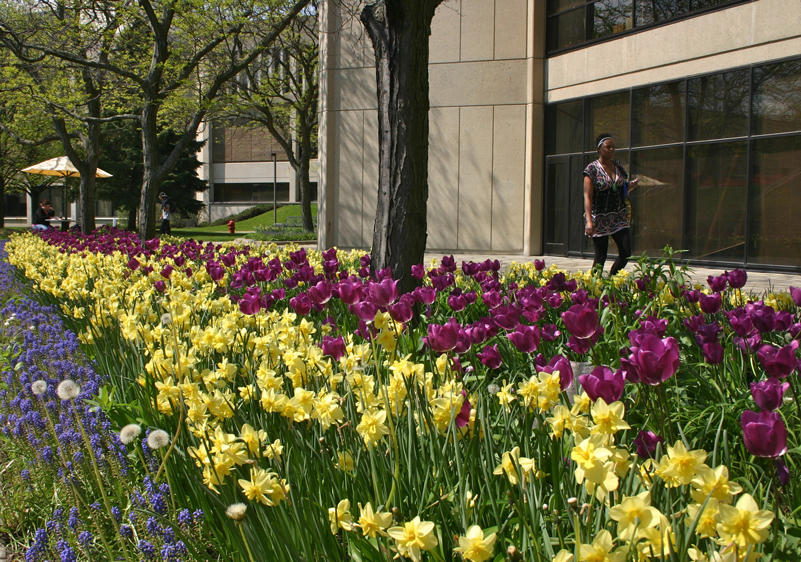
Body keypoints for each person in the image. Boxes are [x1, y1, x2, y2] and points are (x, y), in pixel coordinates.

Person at [583, 133, 639, 275]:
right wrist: (589, 221)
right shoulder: (591, 170)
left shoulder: (618, 166)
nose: (611, 149)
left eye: (613, 147)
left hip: (619, 216)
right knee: (601, 257)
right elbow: (587, 196)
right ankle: (593, 287)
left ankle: (612, 279)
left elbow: (622, 188)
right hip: (600, 218)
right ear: (599, 149)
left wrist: (630, 186)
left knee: (626, 253)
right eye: (608, 147)